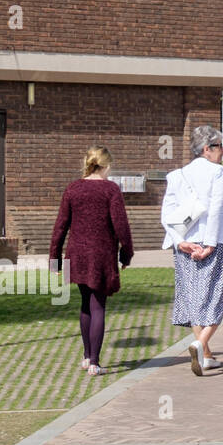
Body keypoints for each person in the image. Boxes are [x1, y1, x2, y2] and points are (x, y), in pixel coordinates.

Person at [48, 146, 134, 376]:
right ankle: (95, 362)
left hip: (77, 255)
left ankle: (87, 356)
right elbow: (121, 227)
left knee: (85, 304)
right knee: (98, 307)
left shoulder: (72, 189)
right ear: (105, 165)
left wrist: (54, 260)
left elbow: (60, 226)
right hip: (102, 256)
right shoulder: (110, 190)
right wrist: (126, 255)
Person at [162, 125, 223, 375]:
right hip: (215, 242)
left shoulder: (177, 175)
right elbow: (216, 208)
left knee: (193, 298)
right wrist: (211, 243)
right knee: (218, 296)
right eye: (219, 147)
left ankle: (206, 355)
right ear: (207, 149)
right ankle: (200, 344)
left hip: (185, 244)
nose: (222, 152)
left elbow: (167, 214)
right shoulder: (218, 172)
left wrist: (178, 240)